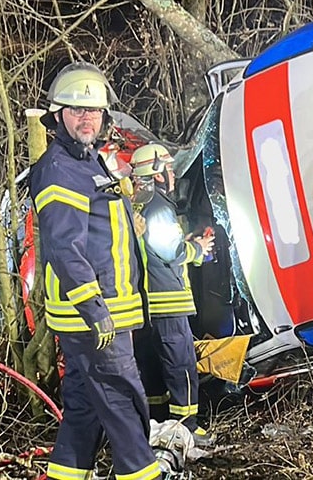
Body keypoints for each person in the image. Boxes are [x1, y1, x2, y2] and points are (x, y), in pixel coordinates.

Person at [30, 62, 161, 480]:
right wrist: (94, 307)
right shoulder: (59, 169)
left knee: (85, 406)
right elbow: (63, 246)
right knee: (123, 399)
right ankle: (144, 474)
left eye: (94, 111)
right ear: (57, 116)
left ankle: (65, 474)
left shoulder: (88, 163)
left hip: (100, 309)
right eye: (76, 110)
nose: (87, 118)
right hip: (95, 314)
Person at [129, 143, 216, 446]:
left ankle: (156, 424)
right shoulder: (159, 206)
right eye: (169, 169)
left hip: (144, 306)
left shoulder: (136, 203)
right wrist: (197, 249)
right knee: (181, 364)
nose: (173, 175)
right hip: (168, 300)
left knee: (151, 367)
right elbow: (169, 250)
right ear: (156, 173)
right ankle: (187, 426)